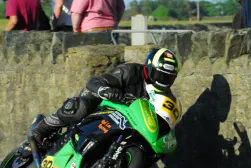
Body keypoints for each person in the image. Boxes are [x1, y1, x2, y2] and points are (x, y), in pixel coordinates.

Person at [32, 48, 180, 144]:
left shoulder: (165, 98)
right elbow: (94, 82)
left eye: (167, 77)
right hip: (103, 105)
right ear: (148, 67)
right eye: (158, 74)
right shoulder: (130, 71)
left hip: (125, 122)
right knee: (81, 107)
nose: (161, 80)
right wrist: (106, 91)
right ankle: (43, 127)